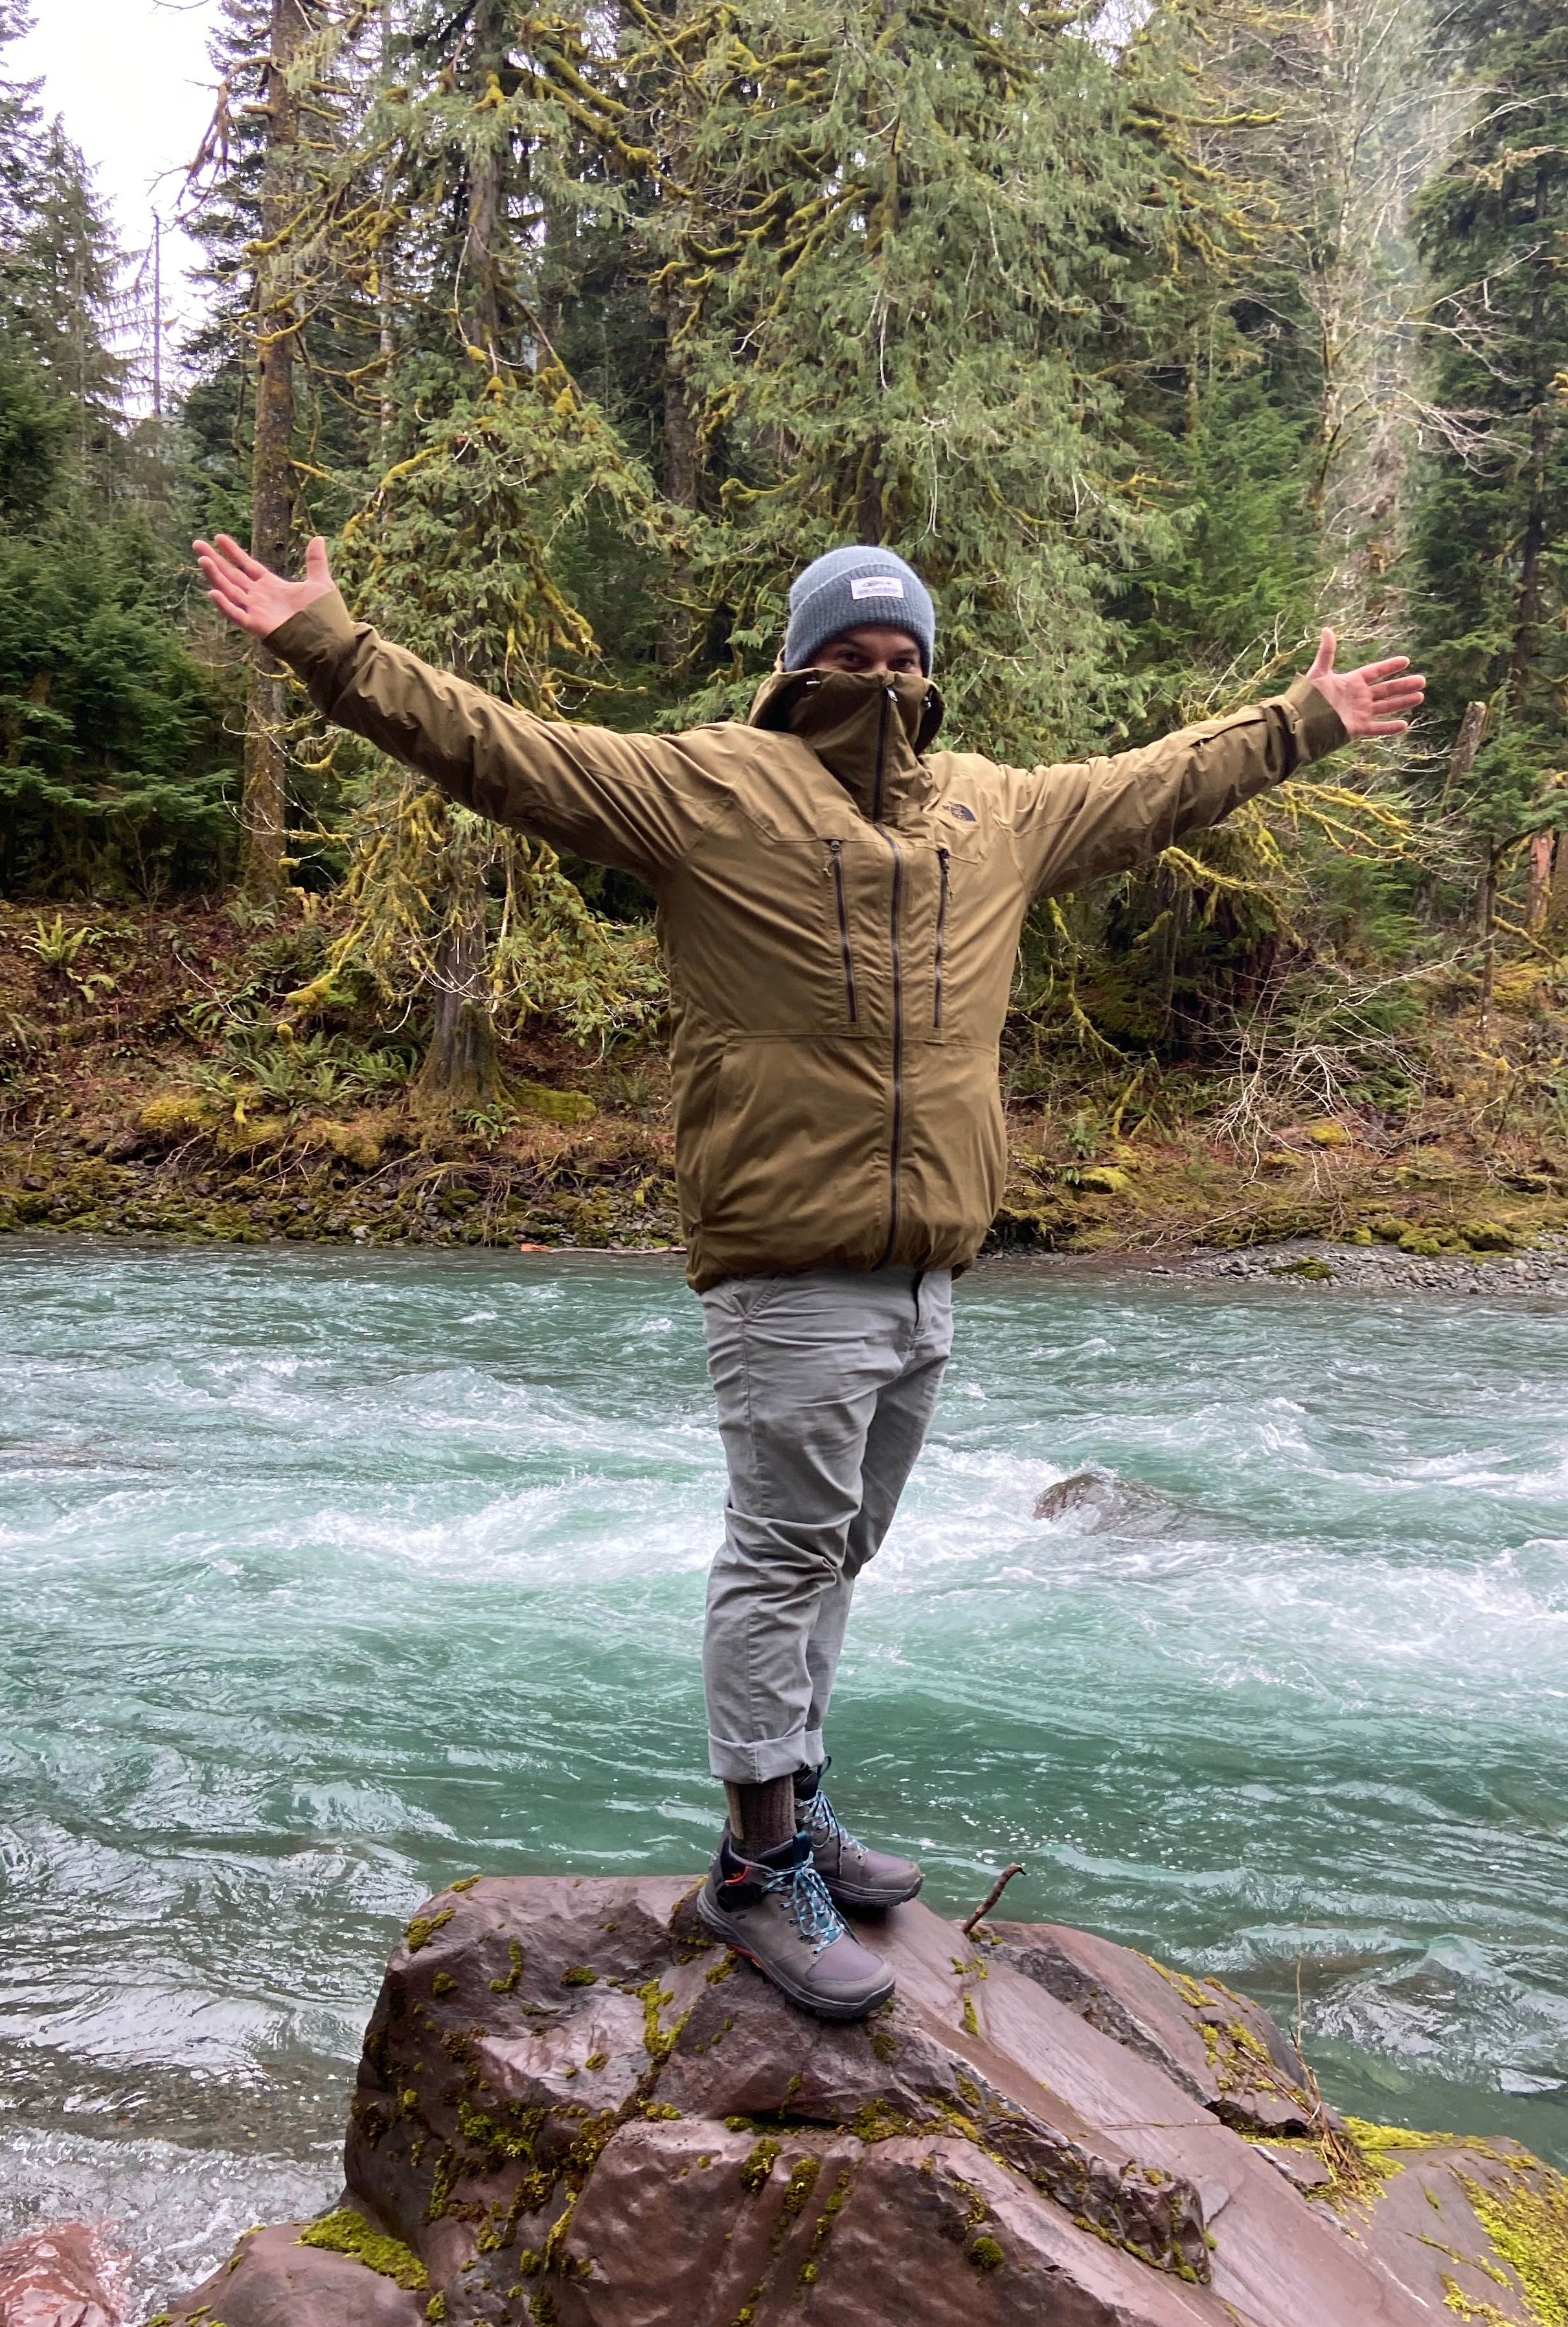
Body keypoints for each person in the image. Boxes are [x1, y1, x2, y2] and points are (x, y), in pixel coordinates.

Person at [192, 530, 1424, 2023]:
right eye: (852, 653)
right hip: (786, 1262)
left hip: (926, 1271)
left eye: (903, 653)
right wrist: (330, 643)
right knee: (779, 1558)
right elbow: (494, 748)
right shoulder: (714, 788)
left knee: (839, 1555)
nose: (881, 674)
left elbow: (1153, 783)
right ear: (799, 663)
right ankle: (757, 1869)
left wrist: (1302, 721)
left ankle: (797, 1804)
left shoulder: (996, 813)